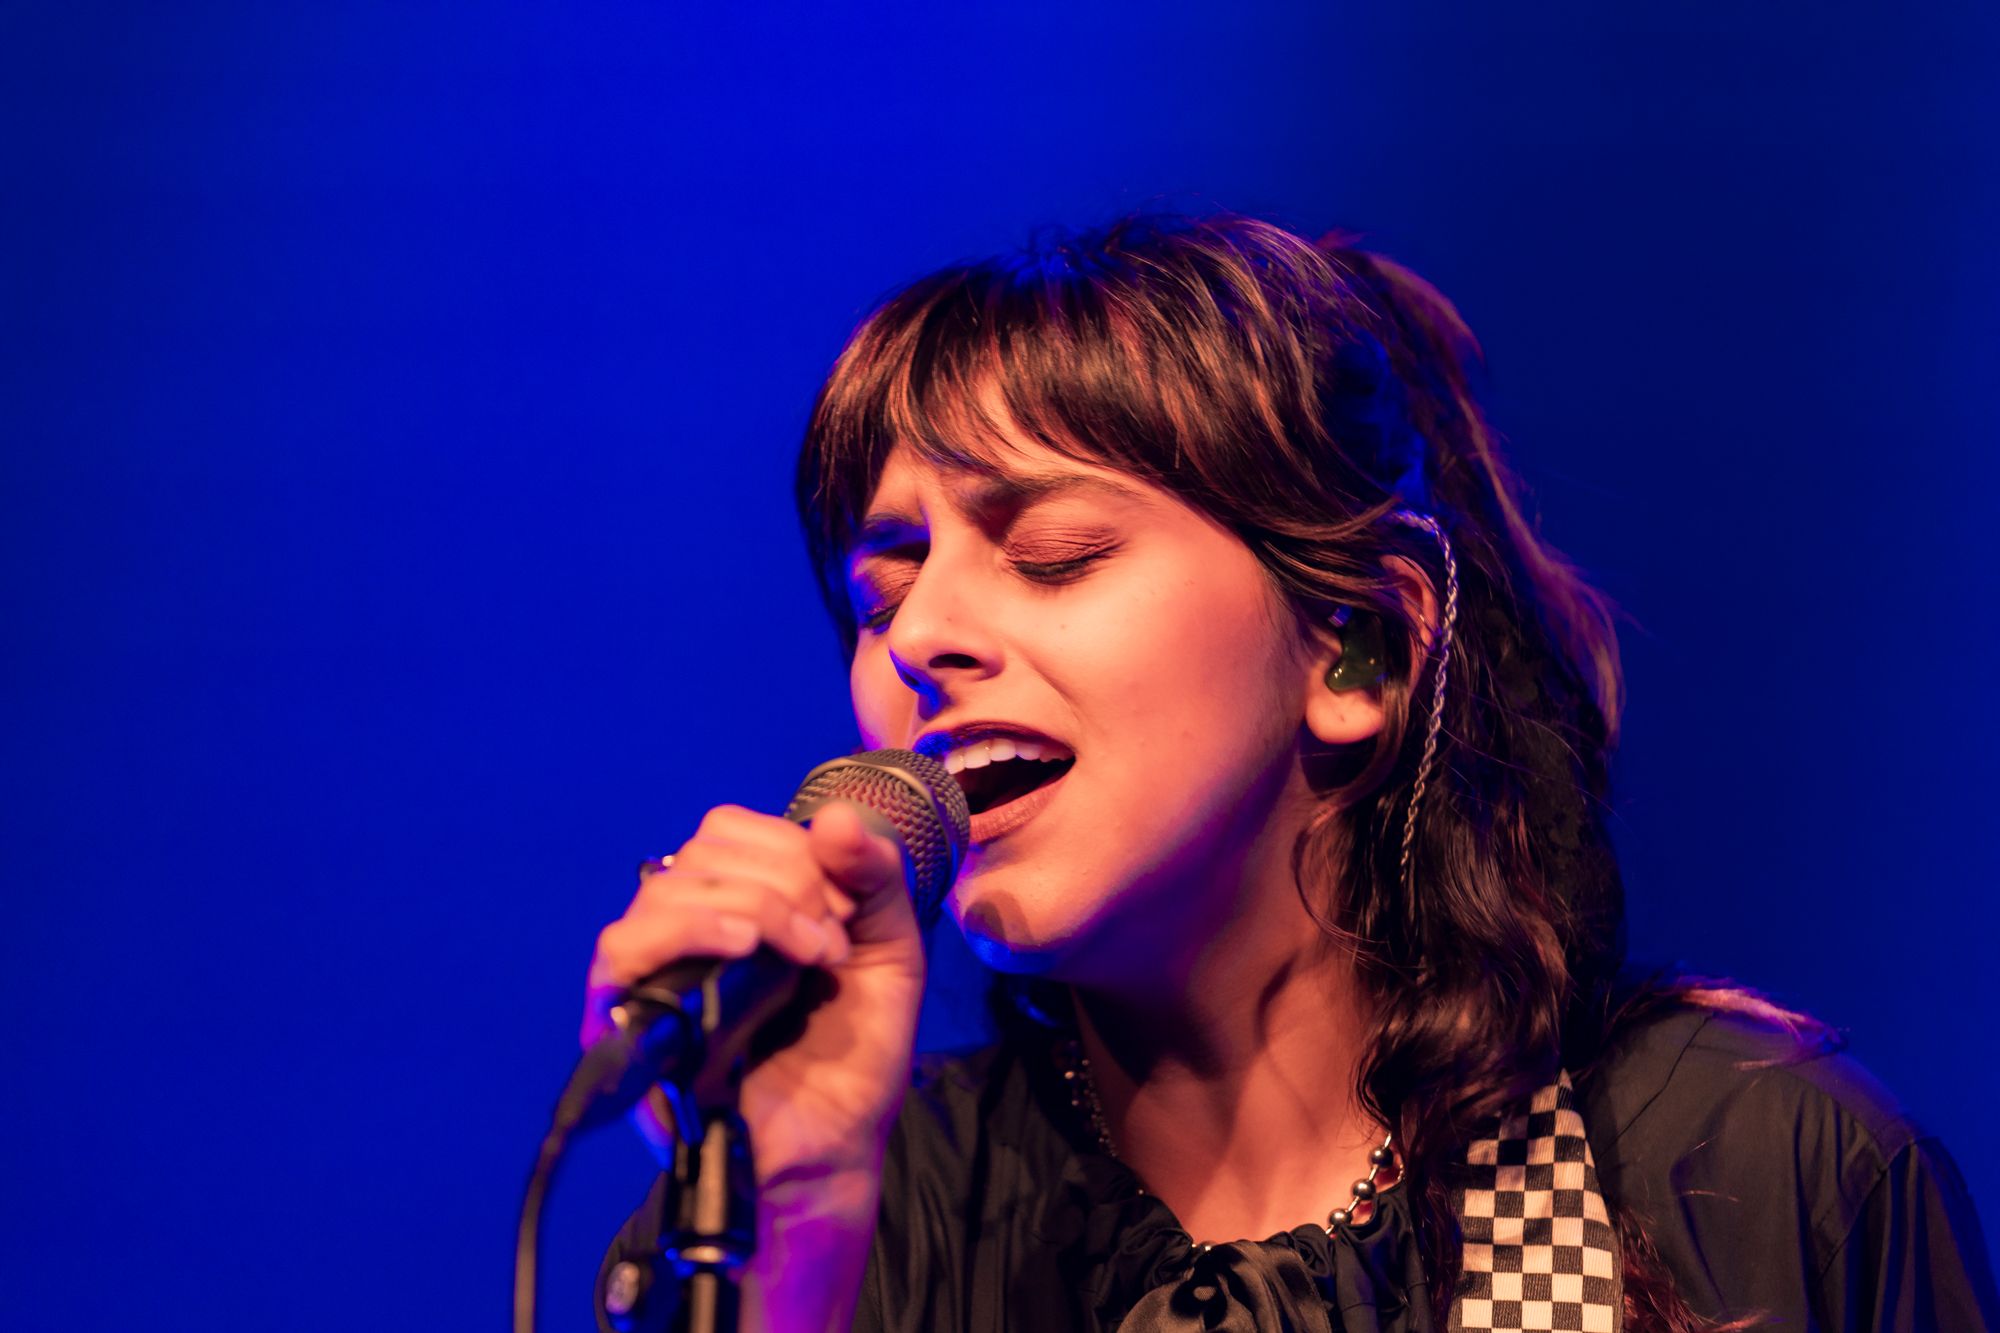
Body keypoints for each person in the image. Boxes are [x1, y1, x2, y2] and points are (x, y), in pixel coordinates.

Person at [584, 215, 1998, 1332]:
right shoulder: (851, 1220)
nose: (923, 637)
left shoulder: (1750, 1171)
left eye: (1054, 555)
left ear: (1358, 651)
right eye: (883, 593)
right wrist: (794, 1248)